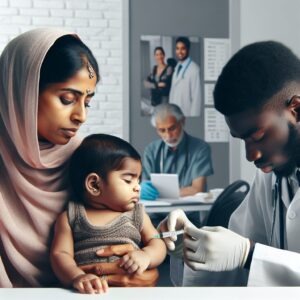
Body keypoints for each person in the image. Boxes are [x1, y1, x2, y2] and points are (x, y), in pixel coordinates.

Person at [159, 41, 300, 286]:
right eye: (242, 140)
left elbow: (248, 255)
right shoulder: (270, 175)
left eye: (257, 137)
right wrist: (192, 245)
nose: (250, 155)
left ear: (296, 109)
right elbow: (241, 264)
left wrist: (248, 254)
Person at [0, 28, 100, 287]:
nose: (81, 116)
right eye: (67, 99)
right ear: (24, 89)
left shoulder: (89, 158)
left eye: (87, 102)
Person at [51, 134, 167, 294]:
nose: (138, 187)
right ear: (94, 184)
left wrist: (146, 255)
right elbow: (60, 254)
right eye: (128, 180)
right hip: (89, 293)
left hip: (135, 292)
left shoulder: (137, 215)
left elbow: (157, 242)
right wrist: (77, 277)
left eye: (138, 180)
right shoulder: (71, 217)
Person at [141, 103, 213, 202]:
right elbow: (146, 186)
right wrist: (142, 189)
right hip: (157, 214)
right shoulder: (151, 150)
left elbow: (197, 189)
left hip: (188, 214)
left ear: (182, 121)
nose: (168, 135)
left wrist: (159, 193)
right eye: (162, 130)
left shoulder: (200, 148)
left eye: (172, 128)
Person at [169, 37, 201, 117]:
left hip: (186, 114)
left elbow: (197, 99)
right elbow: (173, 92)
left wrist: (194, 119)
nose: (179, 52)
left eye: (183, 48)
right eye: (177, 48)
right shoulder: (177, 67)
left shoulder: (194, 69)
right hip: (175, 113)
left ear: (188, 49)